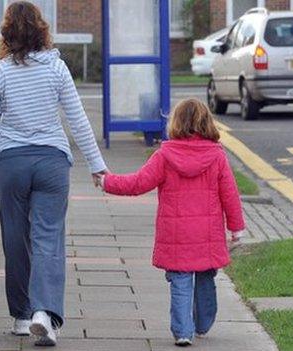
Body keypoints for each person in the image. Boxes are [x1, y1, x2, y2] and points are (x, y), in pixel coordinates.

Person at [0, 1, 107, 347]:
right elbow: (77, 119)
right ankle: (45, 314)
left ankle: (22, 316)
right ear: (41, 30)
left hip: (10, 164)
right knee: (48, 238)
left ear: (7, 33)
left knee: (15, 239)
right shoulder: (57, 69)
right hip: (51, 163)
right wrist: (96, 164)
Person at [98, 99, 246, 347]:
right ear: (207, 123)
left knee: (180, 281)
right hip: (207, 234)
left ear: (175, 123)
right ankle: (203, 323)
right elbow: (229, 194)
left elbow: (137, 184)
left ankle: (182, 332)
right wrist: (236, 228)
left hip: (176, 235)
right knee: (206, 277)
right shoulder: (217, 156)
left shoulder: (165, 156)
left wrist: (106, 182)